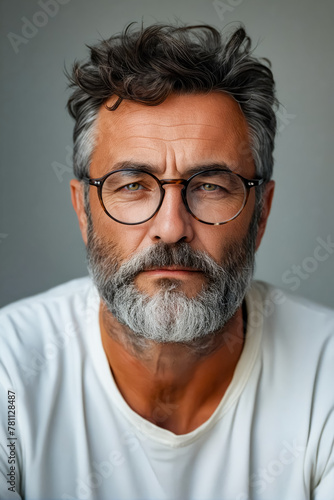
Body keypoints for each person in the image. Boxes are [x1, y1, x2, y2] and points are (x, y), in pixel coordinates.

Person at [0, 22, 333, 500]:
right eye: (133, 184)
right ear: (83, 210)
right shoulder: (10, 374)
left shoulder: (327, 373)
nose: (172, 227)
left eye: (211, 185)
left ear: (261, 214)